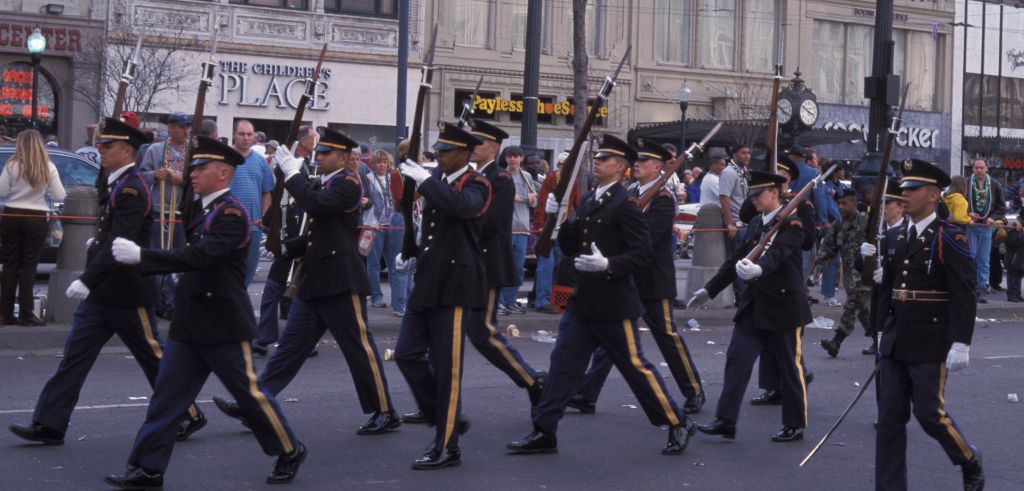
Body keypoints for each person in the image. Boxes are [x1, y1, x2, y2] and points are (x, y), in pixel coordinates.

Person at [105, 136, 306, 488]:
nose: (193, 174)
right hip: (190, 322)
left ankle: (289, 450)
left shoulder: (231, 213)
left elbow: (199, 257)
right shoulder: (203, 208)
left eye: (201, 168)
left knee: (251, 396)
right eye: (193, 168)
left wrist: (142, 257)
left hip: (223, 324)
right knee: (167, 400)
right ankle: (148, 468)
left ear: (224, 172)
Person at [8, 119, 205, 447]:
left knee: (153, 357)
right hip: (103, 294)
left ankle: (189, 412)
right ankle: (49, 422)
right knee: (74, 357)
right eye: (100, 144)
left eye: (107, 146)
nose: (100, 150)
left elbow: (121, 240)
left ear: (127, 151)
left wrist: (86, 277)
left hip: (128, 293)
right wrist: (94, 249)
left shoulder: (132, 187)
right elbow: (108, 235)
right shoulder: (116, 182)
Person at [507, 134, 695, 457]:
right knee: (563, 365)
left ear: (621, 168)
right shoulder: (592, 199)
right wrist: (558, 217)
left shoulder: (626, 204)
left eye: (604, 159)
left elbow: (643, 253)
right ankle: (544, 430)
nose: (597, 162)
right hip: (583, 301)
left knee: (636, 368)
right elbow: (568, 246)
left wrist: (609, 263)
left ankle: (677, 421)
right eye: (597, 158)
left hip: (614, 303)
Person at [214, 127, 398, 435]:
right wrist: (288, 247)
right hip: (315, 280)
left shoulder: (349, 184)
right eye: (319, 152)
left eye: (326, 153)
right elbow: (320, 232)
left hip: (341, 282)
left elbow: (317, 205)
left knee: (358, 349)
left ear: (343, 157)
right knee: (289, 349)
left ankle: (385, 410)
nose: (320, 157)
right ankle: (256, 404)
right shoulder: (324, 182)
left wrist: (292, 173)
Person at [868, 158, 983, 491]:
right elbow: (885, 289)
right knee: (889, 419)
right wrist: (878, 330)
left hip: (930, 340)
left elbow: (964, 293)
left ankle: (968, 458)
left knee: (930, 414)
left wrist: (962, 341)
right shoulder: (895, 235)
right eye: (903, 189)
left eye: (913, 189)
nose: (905, 195)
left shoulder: (949, 236)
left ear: (933, 196)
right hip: (895, 339)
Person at [567, 139, 705, 415]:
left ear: (658, 168)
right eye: (637, 161)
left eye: (644, 162)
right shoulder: (629, 193)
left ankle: (693, 390)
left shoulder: (663, 200)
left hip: (651, 278)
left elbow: (647, 239)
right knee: (614, 339)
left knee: (667, 337)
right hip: (625, 275)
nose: (638, 165)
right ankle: (587, 393)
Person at [392, 121, 491, 469]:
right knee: (405, 353)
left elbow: (461, 208)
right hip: (429, 282)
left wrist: (425, 180)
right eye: (438, 151)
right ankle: (446, 416)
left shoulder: (477, 183)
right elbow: (433, 231)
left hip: (456, 287)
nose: (438, 156)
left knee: (448, 370)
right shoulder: (440, 182)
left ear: (465, 154)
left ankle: (447, 446)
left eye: (445, 152)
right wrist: (414, 252)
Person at [688, 170, 811, 443]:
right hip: (755, 306)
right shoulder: (757, 224)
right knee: (737, 360)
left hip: (784, 305)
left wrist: (759, 269)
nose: (754, 199)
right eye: (752, 194)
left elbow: (778, 255)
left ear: (774, 193)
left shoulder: (793, 225)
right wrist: (709, 290)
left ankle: (795, 424)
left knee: (790, 367)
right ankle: (726, 419)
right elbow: (735, 260)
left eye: (759, 194)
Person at [253, 127, 317, 356]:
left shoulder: (311, 164)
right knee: (273, 289)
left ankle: (302, 340)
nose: (314, 143)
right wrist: (268, 223)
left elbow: (310, 195)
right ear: (302, 141)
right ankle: (264, 337)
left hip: (302, 235)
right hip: (285, 234)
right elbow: (279, 191)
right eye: (312, 139)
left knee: (300, 293)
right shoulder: (286, 161)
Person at [0, 129, 65, 325]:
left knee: (10, 264)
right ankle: (27, 314)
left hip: (12, 214)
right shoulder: (48, 167)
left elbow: (1, 190)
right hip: (36, 217)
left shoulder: (12, 165)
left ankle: (5, 313)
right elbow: (60, 195)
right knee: (29, 266)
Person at [139, 111, 191, 320]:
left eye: (188, 126)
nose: (186, 130)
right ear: (171, 128)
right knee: (157, 257)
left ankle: (172, 302)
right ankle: (155, 301)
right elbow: (141, 177)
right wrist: (154, 175)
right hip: (159, 212)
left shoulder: (191, 152)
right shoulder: (155, 150)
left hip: (180, 214)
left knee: (177, 260)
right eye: (182, 126)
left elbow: (198, 178)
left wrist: (183, 179)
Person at [813, 187, 873, 358]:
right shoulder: (839, 224)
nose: (840, 207)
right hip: (849, 278)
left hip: (864, 276)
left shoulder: (865, 222)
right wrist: (818, 267)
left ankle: (836, 342)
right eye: (838, 203)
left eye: (844, 203)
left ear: (854, 203)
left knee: (852, 305)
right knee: (862, 310)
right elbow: (828, 247)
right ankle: (879, 339)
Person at [531, 151, 579, 315]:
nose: (567, 168)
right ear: (559, 166)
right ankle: (542, 300)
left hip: (562, 229)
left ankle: (537, 296)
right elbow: (541, 204)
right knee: (547, 262)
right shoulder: (552, 179)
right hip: (547, 227)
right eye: (564, 165)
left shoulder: (573, 182)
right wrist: (539, 226)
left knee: (556, 262)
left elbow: (577, 203)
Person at [365, 150, 410, 316]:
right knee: (374, 263)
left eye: (385, 162)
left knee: (394, 262)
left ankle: (397, 298)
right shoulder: (368, 179)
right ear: (374, 164)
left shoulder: (393, 178)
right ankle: (376, 296)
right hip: (373, 225)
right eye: (379, 162)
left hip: (392, 224)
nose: (382, 165)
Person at [231, 120, 276, 286]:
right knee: (227, 273)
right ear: (234, 134)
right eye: (241, 134)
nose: (245, 138)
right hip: (228, 225)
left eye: (249, 134)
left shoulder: (261, 161)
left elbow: (267, 192)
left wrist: (263, 218)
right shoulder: (225, 158)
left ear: (254, 137)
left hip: (253, 228)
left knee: (247, 274)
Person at [500, 145, 538, 313]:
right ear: (505, 158)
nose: (513, 159)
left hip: (522, 228)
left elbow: (534, 203)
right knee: (502, 266)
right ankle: (499, 301)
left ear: (522, 158)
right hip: (506, 228)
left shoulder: (527, 176)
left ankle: (511, 300)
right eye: (510, 156)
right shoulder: (501, 175)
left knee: (517, 268)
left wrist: (531, 198)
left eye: (516, 156)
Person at [965, 158, 1006, 303]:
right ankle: (969, 289)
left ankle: (980, 290)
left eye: (982, 168)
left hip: (987, 227)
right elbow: (960, 203)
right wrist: (968, 213)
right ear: (973, 169)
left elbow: (1002, 207)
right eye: (976, 168)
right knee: (970, 258)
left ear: (987, 168)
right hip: (971, 226)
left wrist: (992, 218)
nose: (979, 170)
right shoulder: (967, 183)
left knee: (983, 260)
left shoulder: (994, 184)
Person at [719, 144, 752, 297]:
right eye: (743, 153)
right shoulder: (729, 172)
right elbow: (724, 197)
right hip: (737, 224)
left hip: (747, 223)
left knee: (747, 260)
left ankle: (745, 292)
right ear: (734, 154)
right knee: (738, 261)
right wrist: (730, 223)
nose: (747, 156)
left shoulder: (744, 172)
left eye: (749, 153)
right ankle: (740, 294)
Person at [1004, 215, 1024, 302]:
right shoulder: (1012, 232)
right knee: (1013, 276)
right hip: (1013, 257)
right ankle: (1012, 294)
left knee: (1018, 275)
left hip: (1019, 257)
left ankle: (1017, 294)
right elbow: (1014, 242)